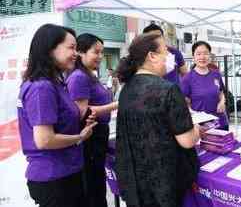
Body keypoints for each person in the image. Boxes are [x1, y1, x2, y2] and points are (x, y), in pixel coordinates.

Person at [115, 33, 200, 207]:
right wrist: (197, 130)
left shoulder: (126, 89)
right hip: (164, 181)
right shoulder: (168, 90)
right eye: (166, 51)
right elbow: (187, 140)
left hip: (136, 180)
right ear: (152, 56)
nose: (170, 57)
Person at [17, 24, 97, 207]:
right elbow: (44, 139)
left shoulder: (55, 83)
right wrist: (80, 137)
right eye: (71, 48)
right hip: (54, 177)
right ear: (50, 48)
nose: (76, 53)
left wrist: (81, 121)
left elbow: (58, 121)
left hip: (66, 171)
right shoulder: (41, 87)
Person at [66, 33, 119, 207]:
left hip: (99, 133)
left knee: (97, 182)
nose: (100, 56)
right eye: (96, 52)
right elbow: (82, 112)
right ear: (80, 52)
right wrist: (116, 105)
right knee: (93, 185)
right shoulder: (79, 77)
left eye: (102, 52)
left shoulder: (89, 74)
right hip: (90, 136)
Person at [181, 41, 228, 130]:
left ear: (210, 56)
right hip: (202, 125)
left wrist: (222, 102)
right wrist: (194, 115)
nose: (202, 57)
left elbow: (221, 92)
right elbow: (184, 103)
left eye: (206, 53)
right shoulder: (187, 78)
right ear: (193, 57)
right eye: (198, 54)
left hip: (221, 122)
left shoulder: (216, 74)